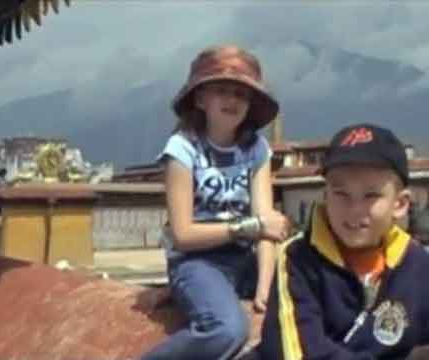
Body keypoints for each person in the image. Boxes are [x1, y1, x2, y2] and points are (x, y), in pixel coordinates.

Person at [141, 45, 291, 360]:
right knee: (226, 330)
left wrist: (264, 287)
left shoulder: (256, 149)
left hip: (245, 261)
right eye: (222, 90)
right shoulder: (183, 149)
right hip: (198, 261)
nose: (232, 100)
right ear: (200, 99)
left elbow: (268, 226)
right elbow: (183, 234)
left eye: (241, 94)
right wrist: (248, 227)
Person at [259, 123, 429, 360]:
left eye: (371, 195)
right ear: (326, 195)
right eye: (341, 193)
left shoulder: (418, 264)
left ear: (400, 204)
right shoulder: (297, 259)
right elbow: (300, 353)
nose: (354, 210)